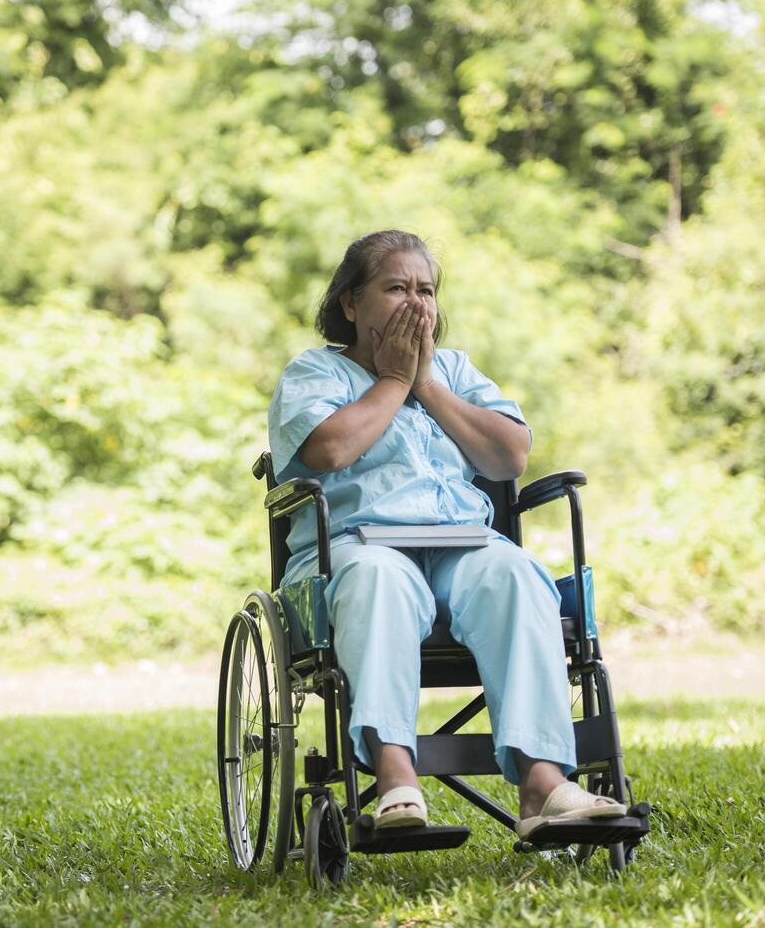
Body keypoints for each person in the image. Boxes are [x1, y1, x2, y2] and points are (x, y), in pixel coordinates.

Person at [268, 229, 626, 837]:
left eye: (426, 290)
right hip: (360, 547)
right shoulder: (315, 373)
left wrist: (426, 384)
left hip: (463, 544)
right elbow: (328, 449)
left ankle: (543, 786)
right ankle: (394, 779)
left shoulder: (455, 372)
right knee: (378, 581)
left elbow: (509, 456)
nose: (417, 303)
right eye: (397, 288)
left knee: (514, 573)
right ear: (351, 304)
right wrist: (392, 383)